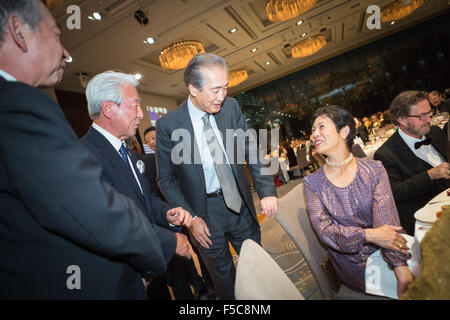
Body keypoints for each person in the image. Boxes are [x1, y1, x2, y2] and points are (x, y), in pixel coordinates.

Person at [0, 0, 169, 299]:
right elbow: (95, 212)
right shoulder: (18, 105)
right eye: (56, 34)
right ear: (18, 31)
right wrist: (155, 258)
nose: (66, 52)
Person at [156, 53, 278, 299]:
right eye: (214, 90)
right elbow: (166, 180)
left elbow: (251, 149)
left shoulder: (230, 108)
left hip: (239, 203)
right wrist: (191, 219)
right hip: (204, 215)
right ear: (193, 88)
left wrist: (266, 190)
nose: (222, 96)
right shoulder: (169, 125)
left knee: (258, 269)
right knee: (225, 282)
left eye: (225, 87)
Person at [80, 71, 194, 299]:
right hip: (124, 277)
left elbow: (145, 199)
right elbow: (109, 222)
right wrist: (170, 241)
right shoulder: (84, 157)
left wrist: (166, 213)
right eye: (136, 106)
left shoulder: (127, 152)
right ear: (109, 108)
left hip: (150, 267)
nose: (141, 114)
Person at [304, 106, 413, 298]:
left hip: (387, 247)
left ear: (344, 132)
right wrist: (368, 235)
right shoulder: (313, 183)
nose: (315, 134)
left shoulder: (374, 170)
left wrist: (399, 265)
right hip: (351, 263)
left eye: (321, 127)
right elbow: (326, 232)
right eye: (313, 129)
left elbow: (387, 222)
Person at [374, 91, 450, 235]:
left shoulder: (434, 132)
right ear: (401, 119)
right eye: (422, 116)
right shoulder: (386, 154)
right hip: (429, 221)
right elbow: (395, 192)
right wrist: (429, 175)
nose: (429, 119)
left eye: (429, 113)